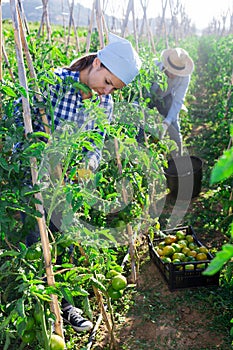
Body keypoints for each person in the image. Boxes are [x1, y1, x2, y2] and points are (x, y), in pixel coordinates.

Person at [15, 32, 142, 332]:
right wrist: (45, 157)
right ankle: (39, 307)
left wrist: (88, 164)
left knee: (64, 242)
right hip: (34, 179)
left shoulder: (104, 104)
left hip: (66, 187)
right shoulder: (54, 83)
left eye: (114, 89)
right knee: (35, 241)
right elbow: (21, 126)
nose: (106, 92)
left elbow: (95, 144)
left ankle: (63, 305)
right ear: (97, 63)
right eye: (108, 82)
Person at [142, 47, 194, 156]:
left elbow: (178, 100)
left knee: (174, 124)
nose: (174, 75)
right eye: (172, 71)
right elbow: (143, 92)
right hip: (148, 97)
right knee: (140, 125)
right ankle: (140, 150)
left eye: (177, 72)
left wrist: (167, 122)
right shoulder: (153, 67)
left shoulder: (184, 77)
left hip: (166, 97)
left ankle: (177, 156)